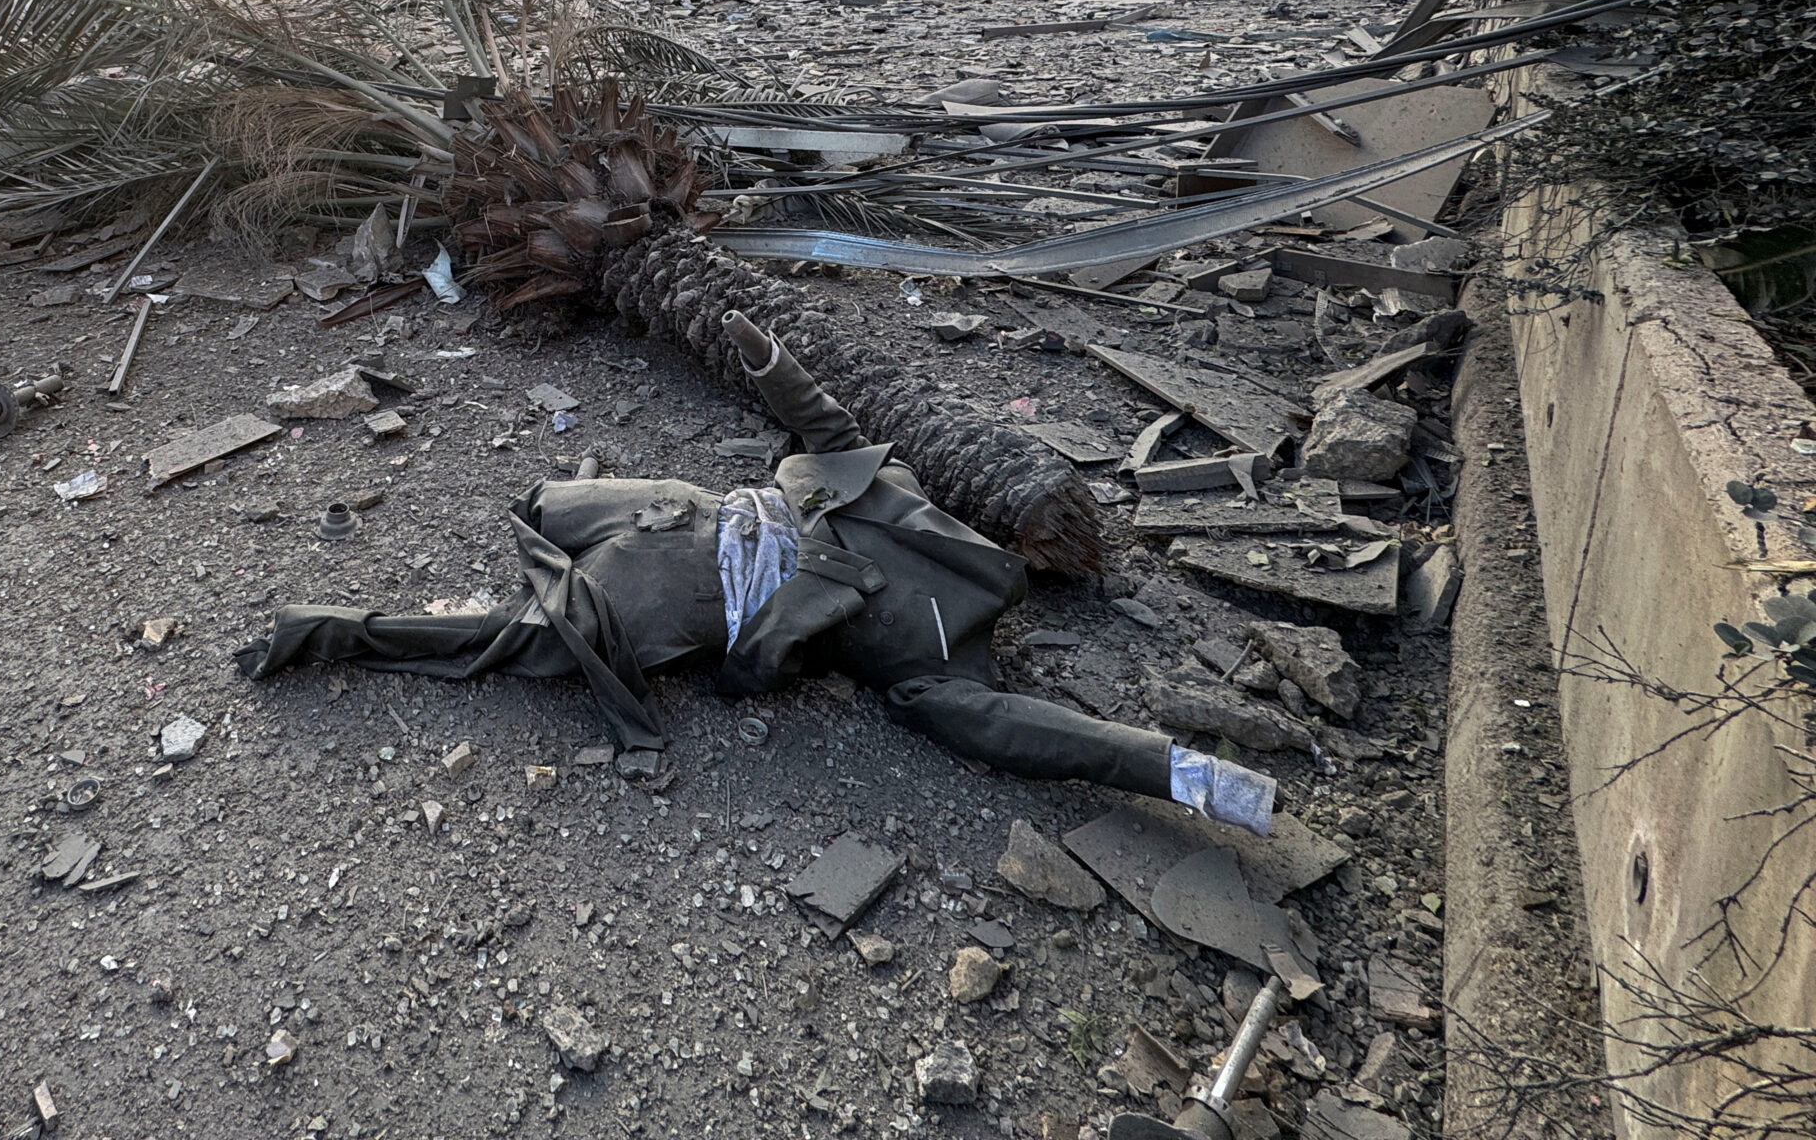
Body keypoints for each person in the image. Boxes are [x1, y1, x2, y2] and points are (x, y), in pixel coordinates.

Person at [240, 308, 1278, 835]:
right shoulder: (888, 494)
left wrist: (1184, 775)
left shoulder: (938, 661)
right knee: (529, 554)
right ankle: (339, 623)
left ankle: (322, 629)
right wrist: (767, 362)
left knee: (502, 640)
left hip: (679, 593)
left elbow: (1031, 733)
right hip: (677, 517)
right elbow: (827, 427)